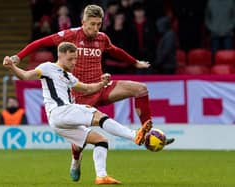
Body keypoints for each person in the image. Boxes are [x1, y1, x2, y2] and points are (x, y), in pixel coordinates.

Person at [9, 4, 174, 182]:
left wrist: (135, 63)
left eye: (99, 24)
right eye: (92, 24)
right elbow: (41, 42)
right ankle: (75, 160)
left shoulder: (102, 38)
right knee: (83, 140)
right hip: (79, 93)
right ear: (83, 22)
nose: (95, 28)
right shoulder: (70, 35)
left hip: (99, 87)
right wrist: (19, 56)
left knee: (140, 89)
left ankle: (145, 133)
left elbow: (116, 51)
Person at [3, 42, 147, 184]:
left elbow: (86, 89)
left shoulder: (69, 77)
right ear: (60, 55)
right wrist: (12, 66)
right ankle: (134, 135)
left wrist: (102, 84)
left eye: (75, 59)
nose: (74, 62)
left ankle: (101, 176)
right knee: (97, 115)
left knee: (101, 141)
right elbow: (26, 76)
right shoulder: (48, 67)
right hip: (60, 111)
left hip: (58, 122)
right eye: (70, 59)